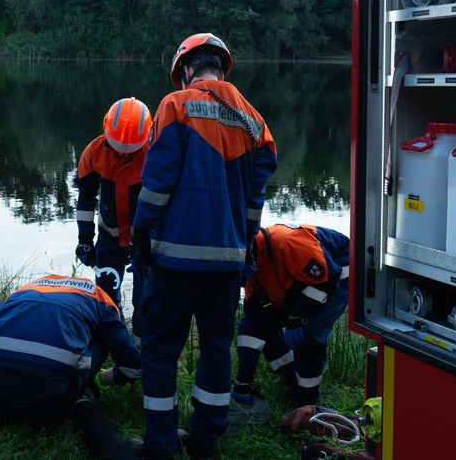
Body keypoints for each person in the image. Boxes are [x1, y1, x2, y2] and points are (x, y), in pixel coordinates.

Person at [131, 32, 278, 460]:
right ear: (221, 65)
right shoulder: (255, 121)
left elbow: (156, 186)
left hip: (175, 258)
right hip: (228, 263)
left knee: (159, 349)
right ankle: (205, 440)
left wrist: (140, 236)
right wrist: (244, 244)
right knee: (216, 349)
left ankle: (159, 445)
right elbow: (255, 202)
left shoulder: (175, 106)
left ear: (186, 69)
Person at [0, 273, 142, 426]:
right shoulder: (101, 298)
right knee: (105, 335)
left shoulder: (24, 290)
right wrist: (101, 380)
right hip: (51, 407)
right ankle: (88, 388)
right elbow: (134, 367)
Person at [228, 223, 350, 427]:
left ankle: (309, 404)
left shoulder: (286, 242)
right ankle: (294, 381)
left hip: (339, 273)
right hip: (305, 282)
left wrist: (297, 317)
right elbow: (253, 325)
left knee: (308, 330)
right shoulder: (251, 268)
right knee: (266, 328)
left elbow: (329, 280)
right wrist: (243, 380)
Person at [75, 97, 152, 336]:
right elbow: (86, 200)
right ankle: (112, 339)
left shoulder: (155, 153)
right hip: (109, 238)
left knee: (145, 299)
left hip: (146, 242)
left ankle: (140, 348)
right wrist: (85, 240)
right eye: (117, 146)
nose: (122, 152)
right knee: (105, 298)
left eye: (130, 150)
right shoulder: (93, 153)